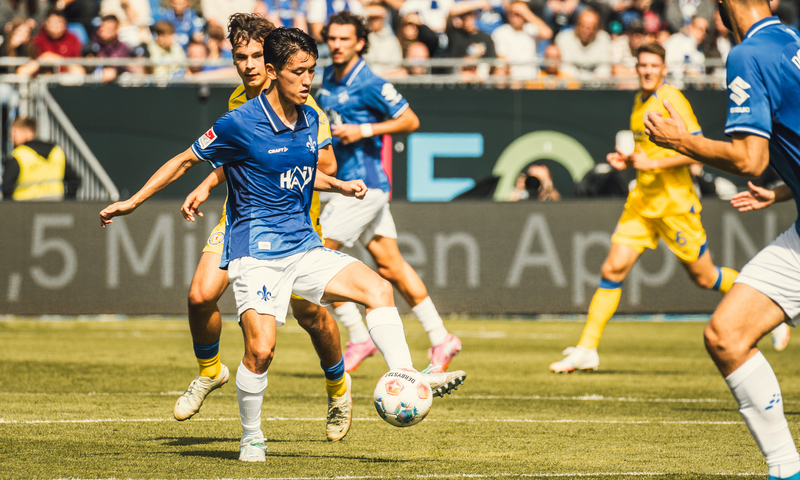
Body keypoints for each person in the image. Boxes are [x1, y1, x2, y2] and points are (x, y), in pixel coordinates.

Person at [99, 26, 466, 461]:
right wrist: (133, 202)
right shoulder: (237, 121)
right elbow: (183, 160)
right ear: (273, 72)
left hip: (304, 245)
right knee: (261, 349)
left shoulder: (310, 117)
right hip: (255, 254)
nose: (308, 81)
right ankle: (252, 435)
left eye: (311, 70)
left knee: (379, 289)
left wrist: (339, 185)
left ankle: (406, 375)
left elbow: (303, 171)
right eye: (299, 72)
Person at [170, 13, 352, 445]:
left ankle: (338, 389)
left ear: (272, 60)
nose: (249, 65)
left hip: (296, 220)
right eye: (240, 56)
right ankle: (211, 372)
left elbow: (324, 165)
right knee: (199, 295)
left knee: (311, 315)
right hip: (242, 218)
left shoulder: (306, 105)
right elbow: (239, 153)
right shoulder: (238, 101)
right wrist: (206, 181)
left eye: (256, 55)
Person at [645, 2, 800, 471]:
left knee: (726, 336)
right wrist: (781, 192)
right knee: (727, 335)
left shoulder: (747, 53)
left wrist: (682, 141)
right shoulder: (792, 40)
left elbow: (749, 158)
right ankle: (785, 469)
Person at [549, 42, 737, 373]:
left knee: (706, 278)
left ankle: (770, 302)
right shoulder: (640, 102)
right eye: (642, 65)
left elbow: (696, 150)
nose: (647, 70)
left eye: (653, 65)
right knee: (612, 270)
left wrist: (651, 163)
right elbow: (647, 154)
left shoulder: (670, 98)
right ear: (636, 68)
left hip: (674, 204)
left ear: (664, 69)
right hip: (642, 201)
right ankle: (587, 348)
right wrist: (628, 161)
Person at [317, 12, 464, 373]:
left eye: (344, 39)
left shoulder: (369, 82)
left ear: (360, 43)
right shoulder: (324, 77)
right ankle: (440, 337)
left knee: (316, 259)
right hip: (342, 187)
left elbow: (410, 120)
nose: (336, 45)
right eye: (332, 38)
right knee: (391, 265)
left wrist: (366, 130)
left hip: (363, 187)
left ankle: (358, 335)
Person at [2, 117, 81, 200]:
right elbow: (74, 180)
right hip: (55, 208)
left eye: (14, 133)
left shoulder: (19, 155)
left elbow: (7, 188)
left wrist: (12, 210)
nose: (11, 138)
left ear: (26, 132)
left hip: (25, 209)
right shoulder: (56, 152)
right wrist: (68, 202)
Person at [491, 0, 553, 81]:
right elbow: (503, 60)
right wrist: (512, 80)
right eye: (512, 13)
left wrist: (526, 12)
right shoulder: (501, 32)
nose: (515, 16)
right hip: (512, 80)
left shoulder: (531, 29)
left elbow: (548, 33)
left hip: (532, 79)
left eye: (519, 14)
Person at [554, 8, 612, 79]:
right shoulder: (563, 38)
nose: (587, 31)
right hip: (571, 84)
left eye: (591, 28)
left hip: (597, 84)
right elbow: (564, 67)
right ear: (577, 25)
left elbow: (605, 67)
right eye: (583, 26)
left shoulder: (604, 39)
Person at [83, 15, 131, 83]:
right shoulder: (93, 43)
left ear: (116, 30)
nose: (104, 30)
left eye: (109, 28)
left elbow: (119, 66)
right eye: (103, 27)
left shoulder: (123, 47)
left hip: (117, 81)